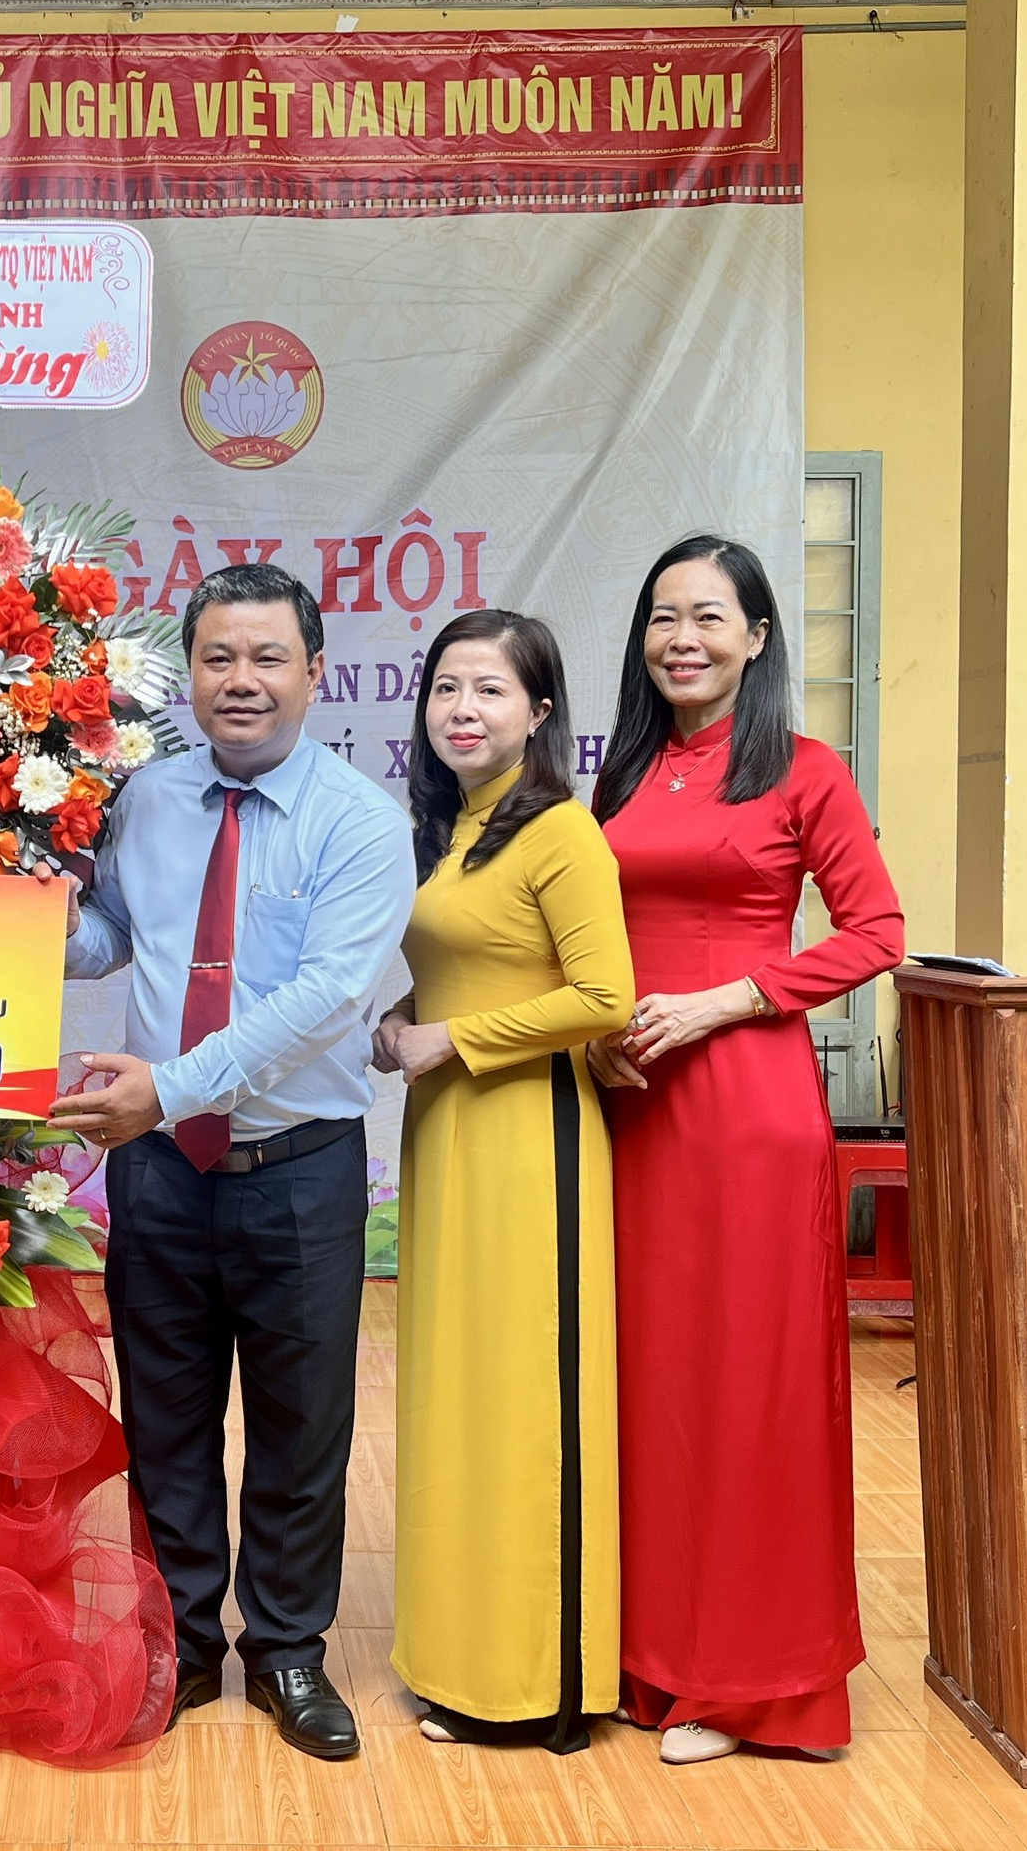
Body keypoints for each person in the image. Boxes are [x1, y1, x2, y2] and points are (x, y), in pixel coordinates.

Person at [48, 563, 413, 1762]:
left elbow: (326, 999)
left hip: (299, 1167)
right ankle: (184, 1643)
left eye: (266, 657)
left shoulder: (361, 820)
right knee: (166, 1418)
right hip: (160, 1167)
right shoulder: (149, 796)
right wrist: (31, 912)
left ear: (315, 673)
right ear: (190, 675)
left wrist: (169, 1087)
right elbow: (115, 934)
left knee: (303, 1427)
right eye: (218, 657)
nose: (240, 680)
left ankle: (290, 1650)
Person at [588, 535, 903, 1765]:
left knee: (745, 1385)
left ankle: (751, 1680)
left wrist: (729, 999)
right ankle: (647, 1651)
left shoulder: (803, 770)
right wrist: (592, 1037)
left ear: (758, 636)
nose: (682, 638)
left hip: (747, 1108)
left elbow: (874, 931)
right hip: (632, 1102)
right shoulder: (622, 770)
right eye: (663, 615)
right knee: (649, 1380)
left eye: (709, 616)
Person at [373, 610, 634, 1755]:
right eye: (445, 687)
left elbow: (604, 995)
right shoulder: (451, 829)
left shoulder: (559, 830)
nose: (462, 707)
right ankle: (462, 1658)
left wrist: (453, 1038)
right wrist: (402, 1019)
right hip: (449, 1136)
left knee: (527, 1401)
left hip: (530, 1140)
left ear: (539, 710)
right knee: (459, 1395)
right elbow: (464, 966)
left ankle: (540, 1681)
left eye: (488, 688)